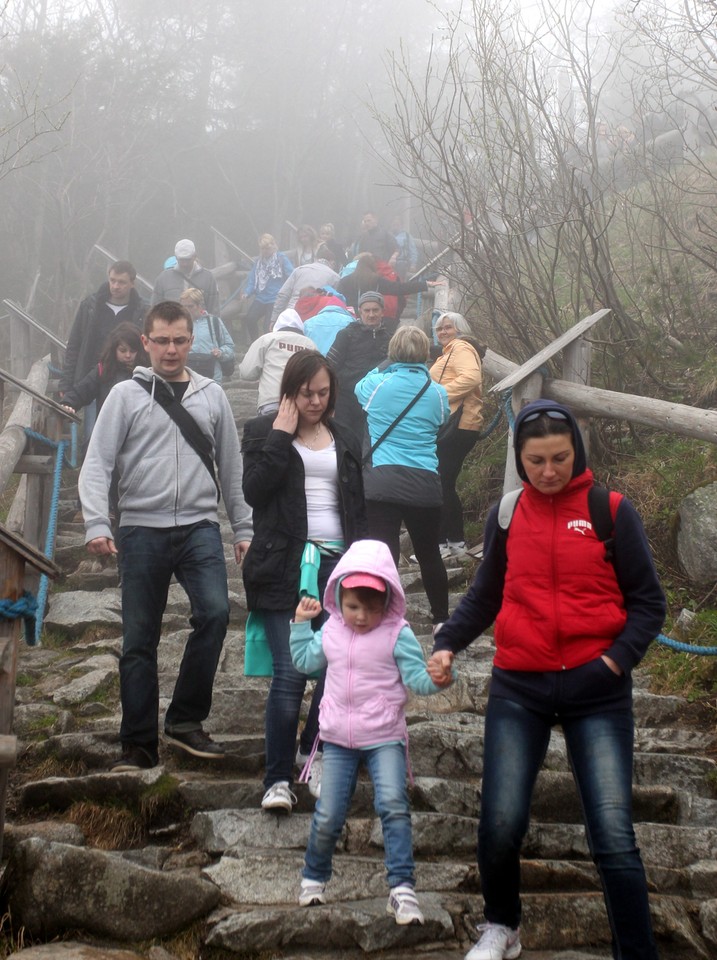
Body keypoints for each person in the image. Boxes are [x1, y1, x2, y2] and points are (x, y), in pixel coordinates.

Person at [428, 399, 665, 960]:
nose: (549, 470)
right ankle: (502, 927)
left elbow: (649, 604)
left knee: (612, 835)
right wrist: (446, 643)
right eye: (536, 460)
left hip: (599, 691)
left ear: (576, 451)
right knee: (500, 820)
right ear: (520, 457)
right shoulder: (507, 516)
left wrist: (612, 663)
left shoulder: (610, 509)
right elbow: (486, 595)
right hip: (521, 686)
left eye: (560, 458)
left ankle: (638, 951)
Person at [78, 300, 252, 771]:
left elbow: (233, 470)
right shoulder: (124, 396)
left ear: (191, 343)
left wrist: (244, 528)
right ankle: (137, 744)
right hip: (140, 529)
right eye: (162, 341)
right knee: (139, 638)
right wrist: (97, 521)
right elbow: (97, 464)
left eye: (179, 340)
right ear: (146, 343)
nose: (171, 349)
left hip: (199, 527)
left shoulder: (213, 395)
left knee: (216, 613)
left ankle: (184, 720)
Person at [290, 538, 450, 924]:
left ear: (388, 601)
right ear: (339, 599)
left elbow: (418, 681)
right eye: (352, 607)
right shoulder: (330, 632)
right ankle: (313, 879)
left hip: (384, 737)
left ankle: (401, 889)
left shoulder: (398, 634)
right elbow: (303, 662)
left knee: (394, 806)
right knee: (328, 814)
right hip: (338, 740)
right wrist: (299, 624)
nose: (360, 616)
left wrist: (441, 678)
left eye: (371, 608)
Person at [242, 350, 367, 811]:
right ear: (289, 391)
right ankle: (276, 779)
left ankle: (311, 751)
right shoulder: (261, 432)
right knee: (291, 673)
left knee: (335, 666)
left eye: (322, 392)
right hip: (283, 565)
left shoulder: (345, 436)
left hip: (339, 564)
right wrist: (280, 434)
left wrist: (367, 560)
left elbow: (356, 506)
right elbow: (254, 491)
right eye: (305, 393)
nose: (315, 401)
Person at [355, 326, 451, 633]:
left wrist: (387, 363)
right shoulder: (438, 393)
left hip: (382, 481)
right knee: (429, 553)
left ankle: (385, 614)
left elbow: (359, 388)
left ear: (392, 352)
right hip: (424, 483)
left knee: (385, 552)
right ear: (426, 353)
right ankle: (441, 619)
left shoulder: (377, 386)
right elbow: (442, 420)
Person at [59, 261, 146, 446]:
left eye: (121, 282)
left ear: (132, 282)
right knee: (94, 435)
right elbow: (74, 345)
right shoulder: (90, 306)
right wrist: (66, 383)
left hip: (131, 379)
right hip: (94, 376)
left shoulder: (143, 311)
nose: (115, 286)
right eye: (112, 280)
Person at [430, 312, 484, 560]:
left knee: (441, 483)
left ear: (459, 329)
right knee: (446, 483)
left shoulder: (461, 347)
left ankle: (442, 545)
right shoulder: (451, 350)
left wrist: (439, 394)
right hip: (458, 424)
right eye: (439, 328)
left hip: (458, 424)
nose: (443, 332)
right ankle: (454, 544)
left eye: (448, 327)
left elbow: (471, 377)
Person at [326, 291, 392, 443]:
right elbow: (328, 367)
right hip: (346, 399)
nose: (371, 314)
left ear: (382, 312)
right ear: (359, 312)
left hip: (375, 402)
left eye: (375, 310)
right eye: (367, 310)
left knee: (369, 444)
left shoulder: (390, 338)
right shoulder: (346, 335)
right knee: (344, 442)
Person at [337, 251, 442, 333]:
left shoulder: (344, 281)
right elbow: (399, 288)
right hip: (371, 320)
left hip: (349, 319)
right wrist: (425, 284)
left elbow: (338, 299)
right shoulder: (376, 280)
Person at [238, 308, 316, 415]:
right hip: (302, 402)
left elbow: (247, 373)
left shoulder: (266, 340)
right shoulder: (310, 345)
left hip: (272, 401)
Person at [60, 321, 148, 416]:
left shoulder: (146, 373)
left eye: (133, 351)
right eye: (123, 350)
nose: (128, 355)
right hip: (108, 425)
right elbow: (82, 391)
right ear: (114, 349)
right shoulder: (103, 370)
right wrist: (68, 403)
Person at [239, 234, 294, 345]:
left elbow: (291, 275)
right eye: (263, 248)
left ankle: (269, 346)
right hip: (261, 298)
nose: (265, 251)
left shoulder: (281, 259)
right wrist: (246, 293)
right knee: (250, 319)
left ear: (274, 246)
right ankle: (256, 344)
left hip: (275, 298)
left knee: (267, 325)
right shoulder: (258, 263)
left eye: (268, 248)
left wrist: (288, 291)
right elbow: (252, 280)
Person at [269, 248, 340, 326]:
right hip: (314, 319)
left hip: (292, 314)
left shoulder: (299, 270)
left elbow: (282, 295)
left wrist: (274, 319)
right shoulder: (335, 277)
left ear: (316, 259)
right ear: (332, 262)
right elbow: (335, 303)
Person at [180, 288, 235, 384]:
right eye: (184, 306)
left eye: (190, 306)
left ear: (199, 306)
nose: (186, 310)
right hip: (186, 377)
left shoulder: (214, 322)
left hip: (212, 378)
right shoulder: (177, 324)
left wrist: (221, 352)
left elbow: (230, 347)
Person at [151, 239, 220, 315]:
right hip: (171, 325)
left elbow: (214, 310)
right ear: (176, 257)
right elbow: (155, 309)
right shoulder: (163, 278)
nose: (184, 264)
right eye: (182, 260)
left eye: (187, 260)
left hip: (200, 325)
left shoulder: (208, 278)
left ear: (195, 256)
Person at [390, 215, 420, 280]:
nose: (395, 226)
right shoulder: (388, 236)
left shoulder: (406, 236)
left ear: (401, 225)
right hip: (389, 263)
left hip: (402, 263)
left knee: (400, 281)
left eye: (397, 224)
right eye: (394, 224)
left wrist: (413, 264)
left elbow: (413, 250)